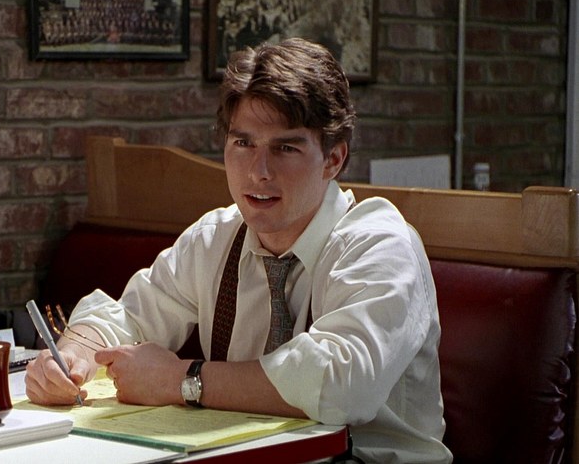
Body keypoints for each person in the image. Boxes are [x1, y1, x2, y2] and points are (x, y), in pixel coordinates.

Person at [25, 37, 452, 463]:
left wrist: (181, 380)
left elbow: (341, 385)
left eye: (285, 148)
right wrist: (72, 355)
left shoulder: (378, 244)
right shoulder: (217, 237)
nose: (258, 172)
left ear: (333, 159)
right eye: (243, 143)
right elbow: (129, 315)